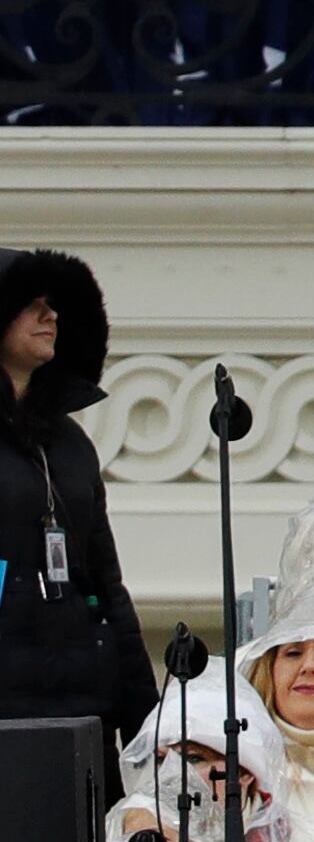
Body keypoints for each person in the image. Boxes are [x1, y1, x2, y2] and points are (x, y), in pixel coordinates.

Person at [0, 255, 146, 740]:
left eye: (56, 307)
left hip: (84, 706)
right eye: (33, 306)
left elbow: (106, 580)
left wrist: (146, 716)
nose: (51, 317)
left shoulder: (71, 444)